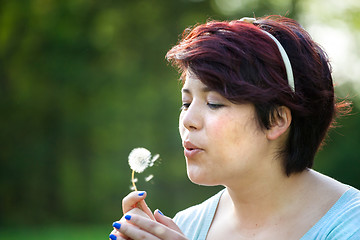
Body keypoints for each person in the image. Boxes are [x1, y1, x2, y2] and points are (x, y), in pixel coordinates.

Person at [109, 15, 360, 240]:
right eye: (186, 103)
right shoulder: (185, 226)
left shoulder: (350, 226)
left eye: (214, 103)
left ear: (276, 120)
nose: (188, 120)